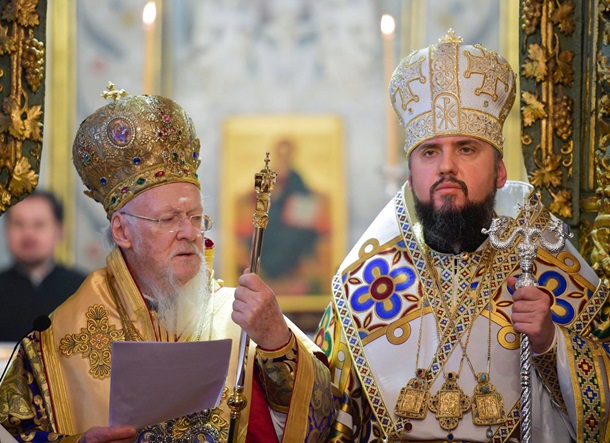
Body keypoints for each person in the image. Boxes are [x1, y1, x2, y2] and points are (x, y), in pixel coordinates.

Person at [314, 31, 610, 442]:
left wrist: (549, 342)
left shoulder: (546, 269)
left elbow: (601, 409)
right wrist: (278, 346)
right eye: (429, 152)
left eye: (466, 149)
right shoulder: (362, 284)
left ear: (500, 171)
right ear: (410, 175)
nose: (446, 167)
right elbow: (323, 413)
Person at [0, 85, 335, 442]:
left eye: (196, 218)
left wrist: (276, 342)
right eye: (169, 219)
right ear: (122, 231)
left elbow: (322, 418)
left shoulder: (238, 316)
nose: (189, 233)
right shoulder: (62, 334)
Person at [0, 190, 87, 341]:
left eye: (39, 224)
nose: (28, 234)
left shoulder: (83, 290)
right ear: (7, 230)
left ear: (59, 231)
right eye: (18, 224)